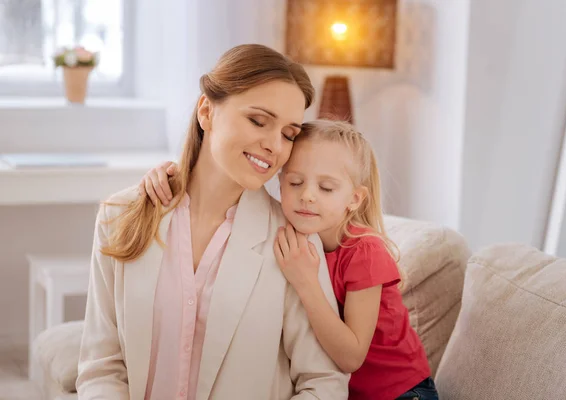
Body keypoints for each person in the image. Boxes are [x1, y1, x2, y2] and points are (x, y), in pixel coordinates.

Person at [76, 44, 349, 400]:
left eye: (288, 134)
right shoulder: (119, 215)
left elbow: (324, 382)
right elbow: (101, 366)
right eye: (258, 120)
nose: (274, 145)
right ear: (207, 111)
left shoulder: (293, 242)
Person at [142, 120, 438, 400]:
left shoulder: (365, 252)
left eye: (326, 188)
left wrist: (307, 283)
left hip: (401, 392)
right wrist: (171, 174)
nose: (307, 196)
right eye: (295, 182)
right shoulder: (286, 232)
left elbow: (351, 357)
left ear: (355, 199)